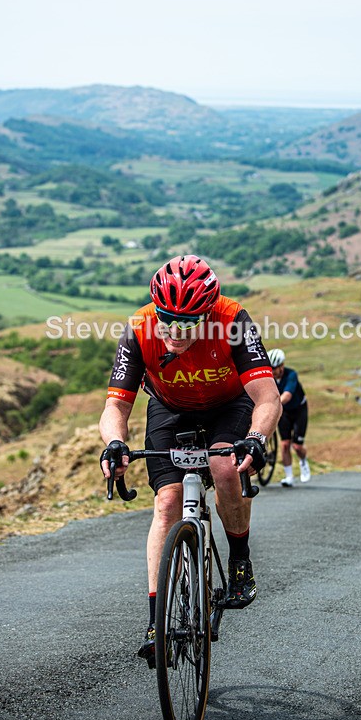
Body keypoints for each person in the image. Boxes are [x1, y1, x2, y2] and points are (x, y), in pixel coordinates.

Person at [99, 255, 281, 668]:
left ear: (208, 314)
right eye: (167, 319)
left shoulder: (232, 320)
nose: (174, 332)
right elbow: (115, 406)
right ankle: (154, 623)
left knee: (223, 466)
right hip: (170, 406)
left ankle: (239, 559)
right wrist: (114, 443)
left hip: (228, 406)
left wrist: (255, 438)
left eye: (187, 324)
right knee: (167, 501)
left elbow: (267, 398)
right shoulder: (141, 327)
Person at [267, 348, 311, 487]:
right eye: (271, 368)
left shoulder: (291, 375)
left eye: (275, 368)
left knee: (297, 446)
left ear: (282, 366)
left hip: (299, 410)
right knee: (285, 444)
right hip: (284, 411)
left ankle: (303, 461)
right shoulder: (269, 377)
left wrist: (273, 405)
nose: (273, 371)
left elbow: (287, 395)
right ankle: (289, 477)